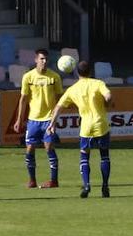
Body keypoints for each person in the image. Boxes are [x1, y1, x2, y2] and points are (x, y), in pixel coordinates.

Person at [46, 60, 112, 199]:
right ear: (91, 72)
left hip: (86, 127)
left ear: (77, 72)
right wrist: (107, 102)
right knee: (104, 155)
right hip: (101, 124)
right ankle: (105, 185)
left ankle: (87, 185)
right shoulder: (98, 83)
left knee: (84, 156)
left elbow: (58, 106)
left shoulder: (73, 89)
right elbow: (108, 95)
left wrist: (52, 123)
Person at [11, 49, 62, 189]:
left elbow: (59, 100)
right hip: (33, 120)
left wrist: (55, 119)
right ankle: (32, 180)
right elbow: (23, 99)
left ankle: (54, 181)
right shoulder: (28, 77)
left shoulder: (54, 77)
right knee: (29, 149)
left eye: (46, 59)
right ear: (36, 60)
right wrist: (18, 119)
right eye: (42, 59)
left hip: (48, 120)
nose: (44, 62)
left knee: (49, 147)